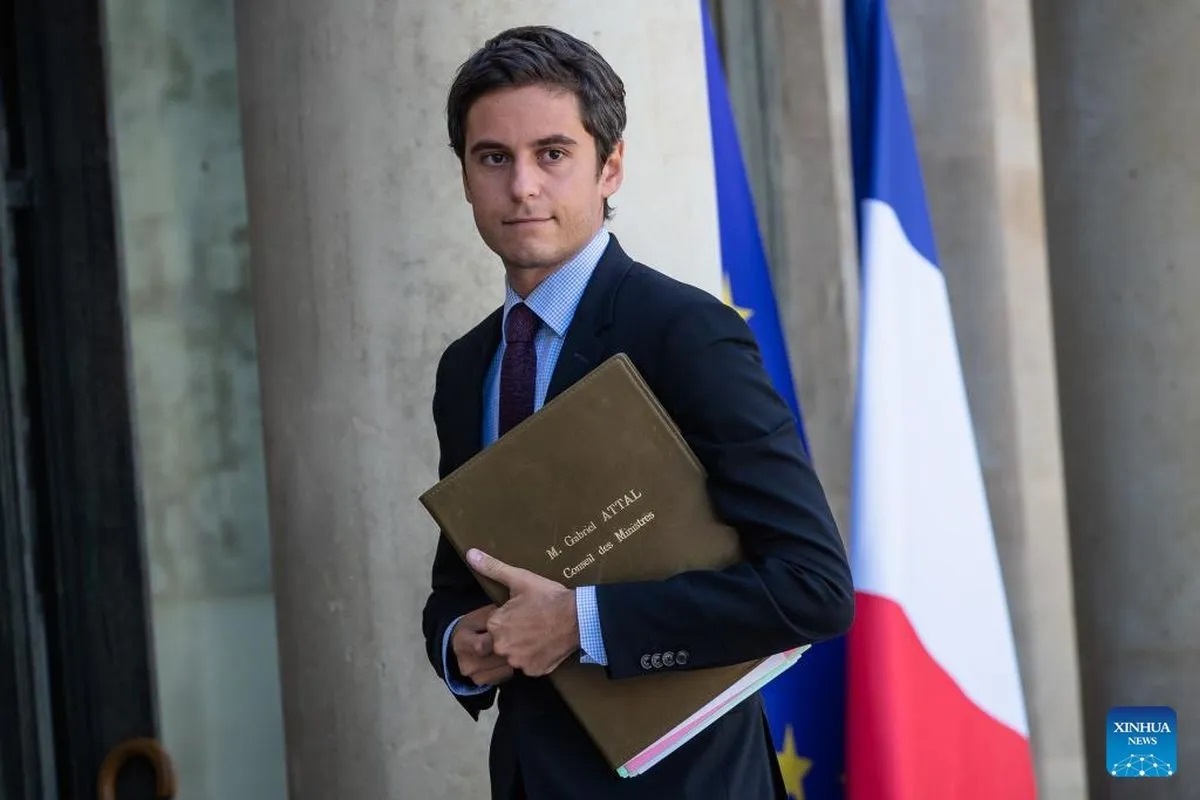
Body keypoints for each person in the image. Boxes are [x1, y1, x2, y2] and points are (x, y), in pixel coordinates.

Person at [421, 25, 854, 800]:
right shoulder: (466, 369)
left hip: (693, 784)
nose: (522, 186)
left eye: (552, 154)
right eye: (494, 158)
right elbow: (463, 579)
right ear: (464, 175)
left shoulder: (684, 333)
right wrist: (460, 644)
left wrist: (580, 623)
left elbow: (810, 585)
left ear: (609, 166)